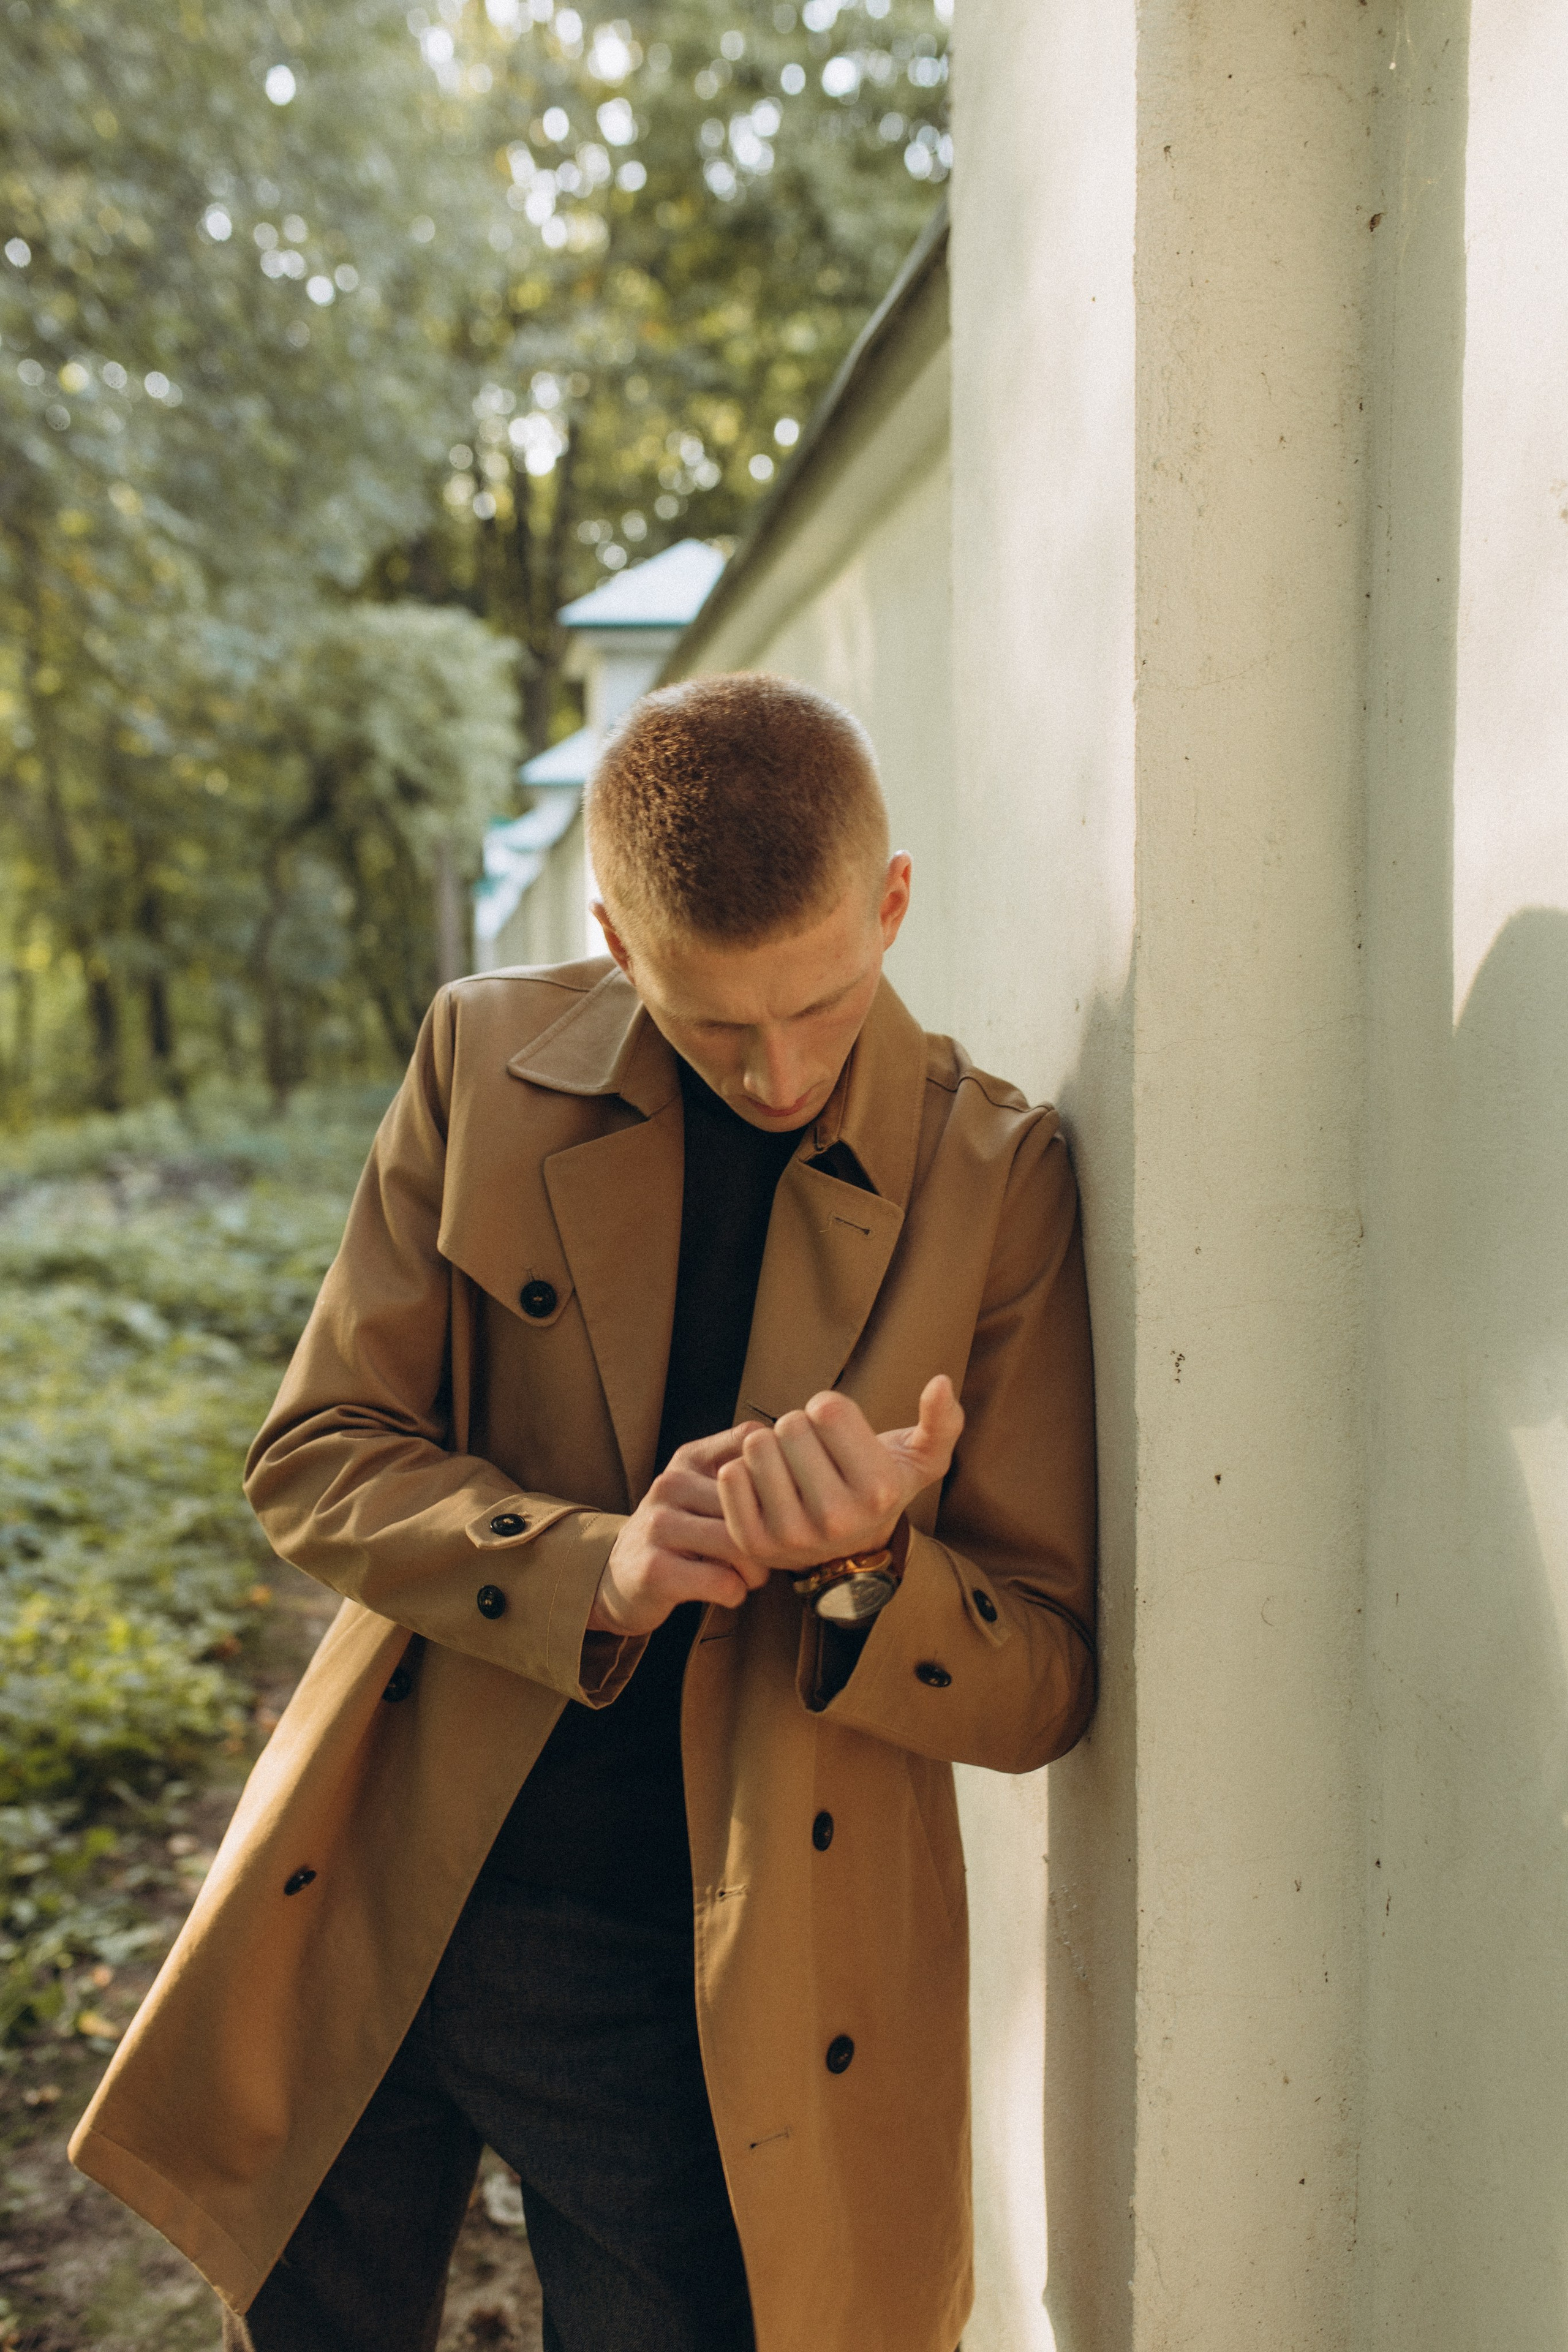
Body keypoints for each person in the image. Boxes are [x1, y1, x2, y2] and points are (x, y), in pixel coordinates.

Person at [70, 673, 1098, 2352]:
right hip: (386, 1870)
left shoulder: (999, 1181)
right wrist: (591, 1564)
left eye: (825, 1005)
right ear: (619, 944)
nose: (776, 1073)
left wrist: (864, 1571)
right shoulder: (487, 1060)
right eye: (713, 1024)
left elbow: (1048, 1673)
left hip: (707, 1968)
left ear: (894, 902)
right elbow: (318, 1450)